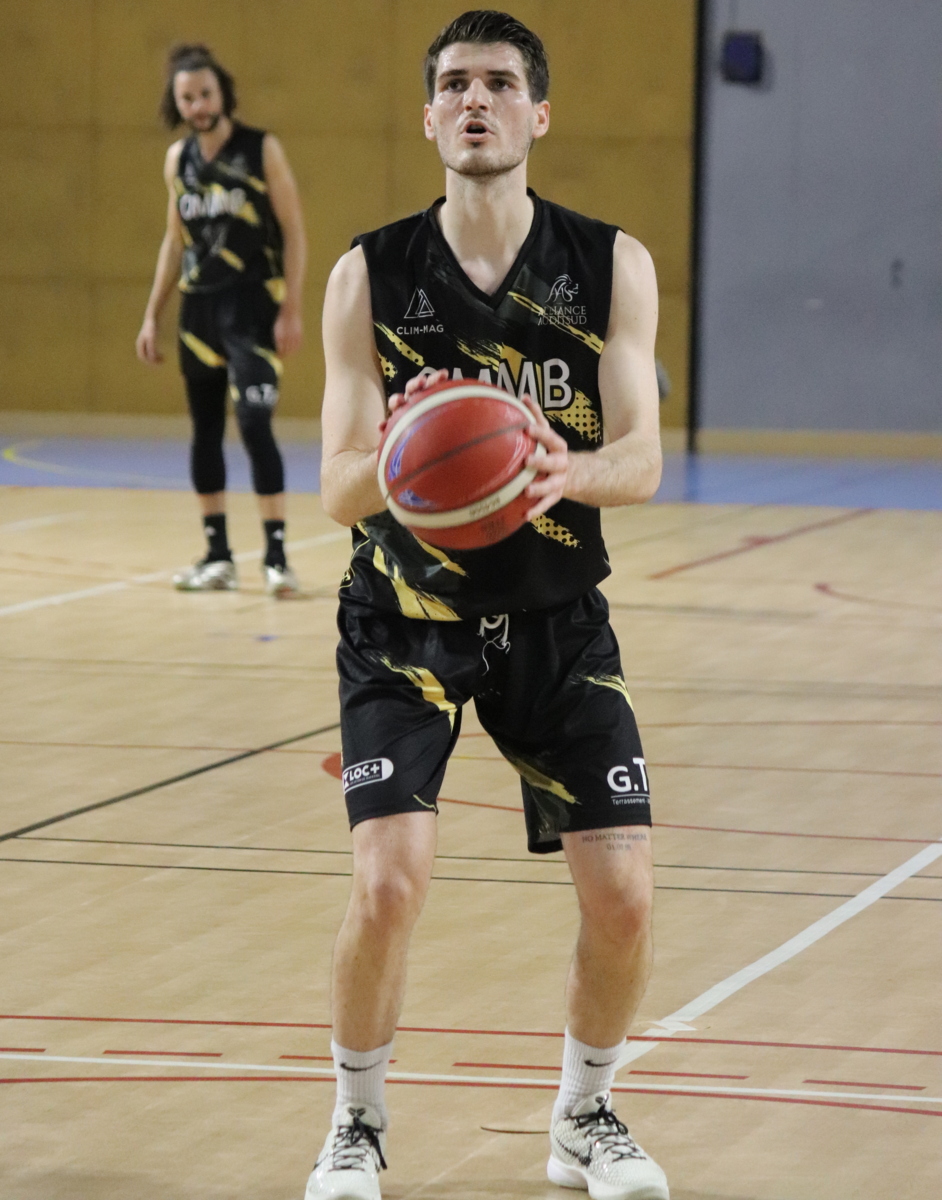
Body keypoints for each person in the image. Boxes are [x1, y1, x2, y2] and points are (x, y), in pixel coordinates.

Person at [310, 10, 667, 1199]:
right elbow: (336, 488)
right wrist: (419, 450)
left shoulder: (608, 262)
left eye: (501, 83)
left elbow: (643, 458)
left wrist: (561, 468)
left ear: (538, 114)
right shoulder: (369, 274)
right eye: (456, 83)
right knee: (387, 885)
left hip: (556, 619)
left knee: (623, 898)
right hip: (405, 620)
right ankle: (356, 1122)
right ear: (428, 117)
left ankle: (585, 1113)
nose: (478, 100)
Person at [136, 44, 307, 596]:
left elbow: (294, 230)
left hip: (252, 306)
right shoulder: (178, 160)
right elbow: (174, 241)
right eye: (187, 97)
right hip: (199, 311)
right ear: (177, 103)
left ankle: (276, 558)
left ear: (222, 93)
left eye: (205, 93)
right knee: (205, 429)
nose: (198, 105)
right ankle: (218, 556)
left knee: (255, 424)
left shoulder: (260, 149)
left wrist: (292, 307)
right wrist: (151, 315)